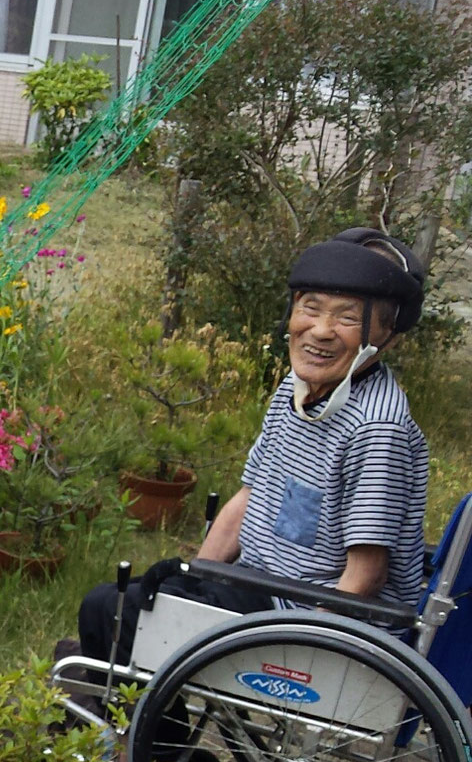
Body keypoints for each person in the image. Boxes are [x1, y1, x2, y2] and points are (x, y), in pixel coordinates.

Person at [75, 227, 431, 668]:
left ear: (387, 334)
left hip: (308, 622)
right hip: (260, 590)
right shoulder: (296, 388)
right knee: (124, 604)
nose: (320, 331)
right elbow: (250, 497)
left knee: (106, 611)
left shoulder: (378, 428)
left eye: (347, 317)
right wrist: (194, 581)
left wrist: (300, 652)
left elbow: (367, 575)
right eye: (310, 308)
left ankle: (160, 737)